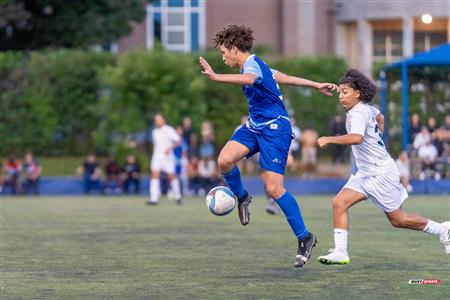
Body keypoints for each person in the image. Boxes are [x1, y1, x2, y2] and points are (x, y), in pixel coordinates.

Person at [199, 24, 338, 268]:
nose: (222, 57)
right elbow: (283, 78)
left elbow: (251, 79)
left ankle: (305, 237)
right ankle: (242, 197)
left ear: (234, 48)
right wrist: (316, 85)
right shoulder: (256, 64)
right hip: (255, 125)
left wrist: (216, 77)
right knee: (224, 161)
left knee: (274, 189)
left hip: (275, 129)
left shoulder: (251, 66)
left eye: (223, 52)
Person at [316, 69, 450, 265]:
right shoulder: (367, 109)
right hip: (366, 173)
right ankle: (340, 252)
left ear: (357, 94)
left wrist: (329, 138)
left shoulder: (359, 113)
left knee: (399, 220)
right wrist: (379, 131)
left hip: (381, 174)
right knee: (339, 203)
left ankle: (443, 229)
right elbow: (381, 116)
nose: (341, 96)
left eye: (345, 92)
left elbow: (356, 138)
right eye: (340, 92)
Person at [148, 113, 182, 205]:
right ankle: (153, 198)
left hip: (167, 157)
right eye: (156, 119)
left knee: (171, 176)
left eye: (158, 119)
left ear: (163, 120)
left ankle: (178, 196)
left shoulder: (168, 129)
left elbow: (178, 141)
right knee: (154, 175)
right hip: (157, 156)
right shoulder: (154, 131)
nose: (157, 121)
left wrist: (170, 148)